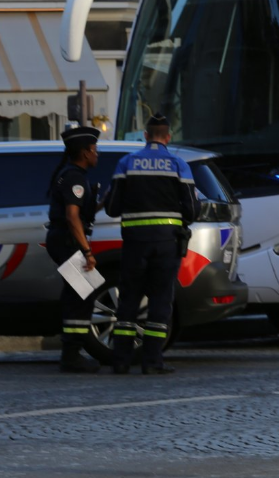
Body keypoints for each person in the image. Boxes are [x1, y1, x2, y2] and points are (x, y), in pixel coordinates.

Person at [104, 114, 198, 374]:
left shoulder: (126, 163)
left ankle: (121, 361)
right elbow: (192, 210)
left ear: (145, 136)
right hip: (166, 244)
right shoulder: (179, 165)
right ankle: (152, 361)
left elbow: (112, 208)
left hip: (134, 244)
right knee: (160, 299)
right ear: (168, 137)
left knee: (129, 300)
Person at [46, 124, 103, 373]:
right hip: (67, 241)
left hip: (62, 240)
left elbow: (80, 210)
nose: (97, 154)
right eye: (95, 150)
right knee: (83, 294)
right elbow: (72, 216)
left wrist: (103, 202)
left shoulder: (70, 173)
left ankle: (71, 352)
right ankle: (71, 355)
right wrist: (87, 252)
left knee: (78, 293)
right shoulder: (75, 177)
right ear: (85, 152)